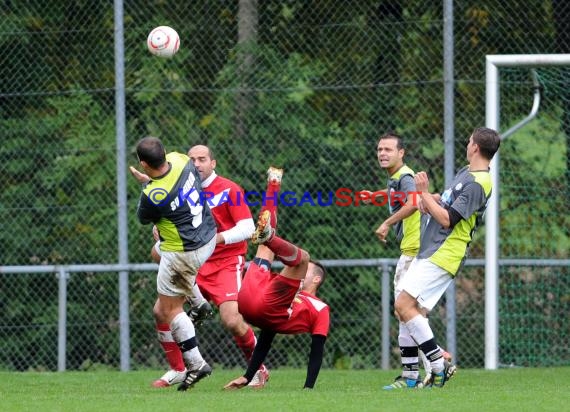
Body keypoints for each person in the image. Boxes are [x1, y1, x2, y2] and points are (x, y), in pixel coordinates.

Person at [140, 145, 280, 389]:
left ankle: (258, 370)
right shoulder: (180, 186)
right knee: (161, 310)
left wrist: (216, 238)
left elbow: (248, 228)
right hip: (193, 261)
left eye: (202, 159)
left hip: (225, 262)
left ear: (213, 163)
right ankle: (178, 369)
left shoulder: (229, 189)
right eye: (192, 159)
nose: (196, 163)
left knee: (232, 320)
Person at [392, 127, 500, 388]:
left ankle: (438, 365)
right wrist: (428, 200)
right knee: (410, 311)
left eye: (469, 141)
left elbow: (447, 218)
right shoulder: (467, 172)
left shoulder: (479, 183)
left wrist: (425, 194)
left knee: (403, 305)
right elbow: (446, 201)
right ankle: (413, 376)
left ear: (475, 147)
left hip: (445, 251)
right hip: (433, 248)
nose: (467, 144)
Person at [223, 170, 330, 390]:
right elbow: (265, 338)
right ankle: (273, 184)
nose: (301, 272)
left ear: (317, 279)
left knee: (300, 256)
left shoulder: (321, 309)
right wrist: (248, 375)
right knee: (266, 244)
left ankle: (270, 236)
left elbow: (316, 350)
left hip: (261, 307)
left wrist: (308, 388)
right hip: (253, 298)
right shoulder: (291, 292)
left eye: (307, 271)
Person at [131, 136, 217, 392]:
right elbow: (171, 187)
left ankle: (195, 364)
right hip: (208, 236)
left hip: (183, 252)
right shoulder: (182, 160)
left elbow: (147, 215)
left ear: (143, 164)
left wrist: (146, 184)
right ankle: (198, 302)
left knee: (169, 311)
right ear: (166, 153)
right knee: (157, 256)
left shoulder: (151, 195)